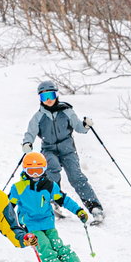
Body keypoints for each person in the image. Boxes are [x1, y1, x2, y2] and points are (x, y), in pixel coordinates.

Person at [21, 80, 104, 224]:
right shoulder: (38, 116)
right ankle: (54, 202)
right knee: (52, 169)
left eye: (51, 95)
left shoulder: (67, 111)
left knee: (76, 176)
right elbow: (31, 132)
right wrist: (27, 143)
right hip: (48, 149)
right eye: (44, 97)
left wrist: (86, 125)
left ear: (56, 95)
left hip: (68, 150)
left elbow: (79, 128)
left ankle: (94, 207)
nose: (48, 100)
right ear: (40, 99)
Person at [8, 151, 90, 262]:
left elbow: (64, 199)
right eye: (31, 171)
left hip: (48, 224)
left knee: (59, 246)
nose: (35, 175)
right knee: (45, 247)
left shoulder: (50, 186)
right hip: (30, 225)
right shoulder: (18, 188)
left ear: (44, 170)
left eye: (38, 171)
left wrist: (78, 210)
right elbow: (8, 206)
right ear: (25, 170)